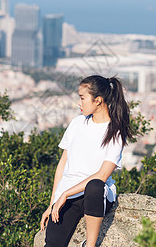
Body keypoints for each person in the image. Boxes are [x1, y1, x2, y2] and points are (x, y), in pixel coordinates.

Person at [40, 75, 134, 247]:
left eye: (82, 98)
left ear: (98, 100)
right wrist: (53, 202)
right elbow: (62, 164)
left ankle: (90, 245)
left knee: (95, 186)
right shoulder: (76, 123)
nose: (79, 103)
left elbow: (102, 176)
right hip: (68, 196)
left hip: (96, 196)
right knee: (52, 243)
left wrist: (65, 194)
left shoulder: (115, 132)